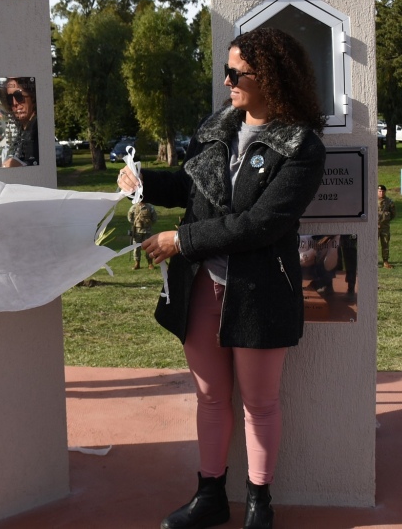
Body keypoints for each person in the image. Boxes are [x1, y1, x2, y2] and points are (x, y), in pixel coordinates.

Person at [118, 27, 326, 529]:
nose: (228, 80)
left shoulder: (302, 146)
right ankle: (210, 495)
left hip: (259, 292)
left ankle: (259, 503)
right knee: (210, 396)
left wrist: (181, 242)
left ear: (270, 78)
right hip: (201, 288)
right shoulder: (219, 127)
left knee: (260, 402)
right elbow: (192, 186)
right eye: (227, 70)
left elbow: (260, 225)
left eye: (237, 73)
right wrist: (145, 179)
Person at [2, 76, 39, 167]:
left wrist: (20, 165)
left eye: (19, 96)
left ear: (32, 96)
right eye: (10, 98)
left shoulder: (39, 128)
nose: (14, 103)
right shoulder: (21, 130)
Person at [127, 200, 158, 269]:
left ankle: (150, 263)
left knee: (149, 247)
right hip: (137, 231)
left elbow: (154, 218)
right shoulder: (134, 207)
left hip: (147, 231)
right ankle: (137, 263)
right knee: (136, 248)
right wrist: (135, 223)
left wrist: (148, 224)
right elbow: (129, 217)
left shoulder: (150, 207)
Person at [377, 184, 396, 269]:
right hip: (374, 227)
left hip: (385, 227)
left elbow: (393, 214)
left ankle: (385, 261)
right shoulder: (370, 201)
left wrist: (385, 221)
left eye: (383, 191)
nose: (381, 193)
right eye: (380, 191)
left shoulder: (389, 202)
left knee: (385, 244)